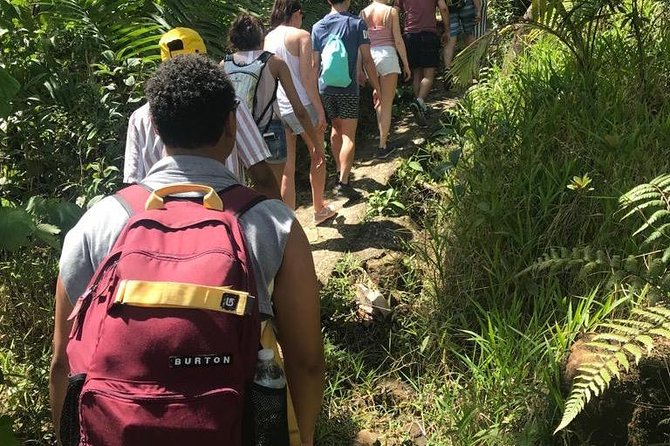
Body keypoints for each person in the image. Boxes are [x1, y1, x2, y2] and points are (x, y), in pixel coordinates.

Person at [49, 54, 324, 446]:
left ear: (156, 128)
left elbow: (62, 363)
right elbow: (306, 363)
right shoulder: (273, 225)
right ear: (231, 124)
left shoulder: (98, 223)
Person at [123, 27, 280, 199]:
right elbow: (261, 176)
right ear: (204, 60)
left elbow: (134, 184)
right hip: (224, 211)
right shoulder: (230, 104)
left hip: (163, 217)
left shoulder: (140, 117)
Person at [226, 14, 335, 225]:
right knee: (271, 188)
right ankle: (283, 234)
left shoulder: (225, 64)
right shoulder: (274, 62)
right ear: (260, 37)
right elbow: (299, 109)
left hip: (238, 135)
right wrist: (315, 144)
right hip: (270, 130)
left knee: (246, 189)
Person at [311, 0, 382, 201]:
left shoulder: (318, 27)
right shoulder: (357, 24)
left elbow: (314, 64)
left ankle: (339, 171)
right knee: (349, 136)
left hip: (325, 87)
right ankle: (343, 182)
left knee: (336, 128)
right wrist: (376, 88)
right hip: (348, 87)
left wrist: (314, 94)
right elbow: (367, 60)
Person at [360, 0, 411, 158]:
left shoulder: (363, 13)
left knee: (379, 100)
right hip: (387, 56)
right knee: (387, 103)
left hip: (370, 58)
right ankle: (383, 145)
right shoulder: (391, 12)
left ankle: (383, 140)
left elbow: (360, 42)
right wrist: (406, 64)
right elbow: (397, 39)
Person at [394, 0, 449, 126]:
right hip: (428, 33)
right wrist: (447, 30)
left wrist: (396, 30)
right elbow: (443, 8)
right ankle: (419, 101)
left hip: (410, 35)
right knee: (429, 74)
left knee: (417, 73)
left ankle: (420, 108)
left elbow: (395, 11)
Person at [442, 0, 481, 88]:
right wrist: (478, 9)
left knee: (450, 39)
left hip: (450, 7)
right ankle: (471, 70)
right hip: (466, 5)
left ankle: (447, 70)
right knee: (470, 35)